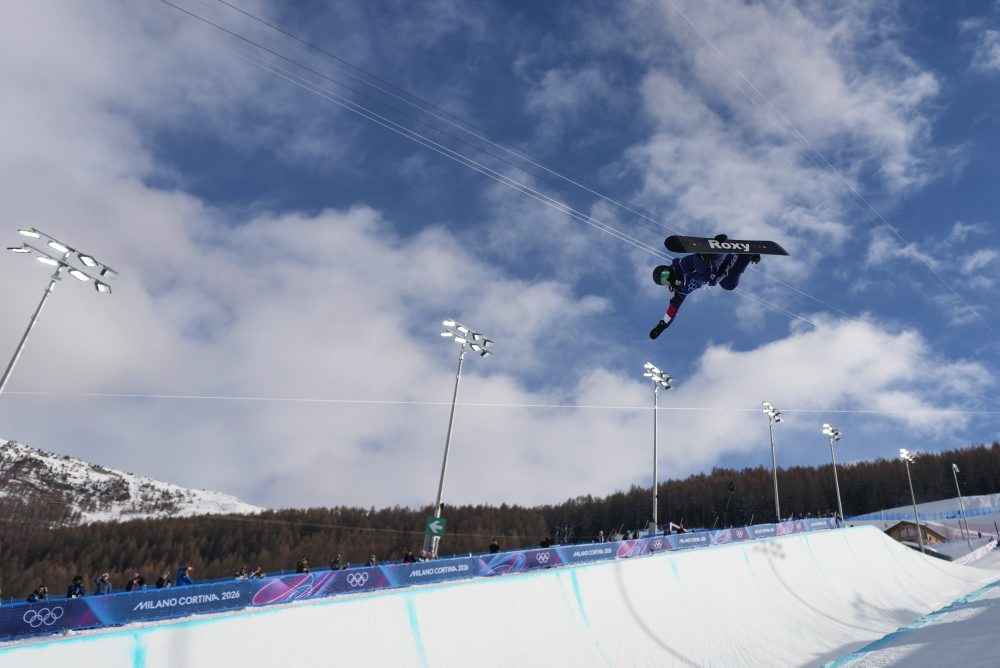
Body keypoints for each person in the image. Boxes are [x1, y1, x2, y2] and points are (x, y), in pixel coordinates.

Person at [650, 236, 760, 338]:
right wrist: (661, 326)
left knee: (703, 275)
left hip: (714, 258)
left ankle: (707, 253)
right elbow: (672, 310)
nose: (667, 280)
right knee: (729, 285)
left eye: (665, 276)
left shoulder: (681, 265)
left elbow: (693, 260)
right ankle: (746, 256)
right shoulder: (680, 292)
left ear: (668, 270)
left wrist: (702, 256)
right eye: (664, 282)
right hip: (722, 267)